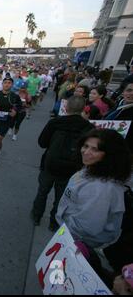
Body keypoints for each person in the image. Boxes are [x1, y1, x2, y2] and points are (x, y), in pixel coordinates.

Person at [56, 129, 131, 279]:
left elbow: (87, 227)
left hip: (77, 242)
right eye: (85, 146)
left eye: (95, 149)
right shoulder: (94, 169)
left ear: (109, 154)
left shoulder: (101, 188)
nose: (86, 152)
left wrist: (64, 237)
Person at [31, 96, 94, 231]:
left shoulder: (55, 122)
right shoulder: (88, 127)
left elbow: (42, 143)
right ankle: (54, 222)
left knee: (42, 191)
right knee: (61, 197)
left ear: (66, 107)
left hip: (50, 164)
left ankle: (36, 216)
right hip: (72, 168)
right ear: (83, 109)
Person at [0, 77, 22, 164]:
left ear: (12, 85)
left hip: (7, 121)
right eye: (5, 82)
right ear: (2, 84)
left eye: (9, 83)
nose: (7, 84)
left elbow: (19, 106)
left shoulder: (15, 96)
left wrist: (15, 111)